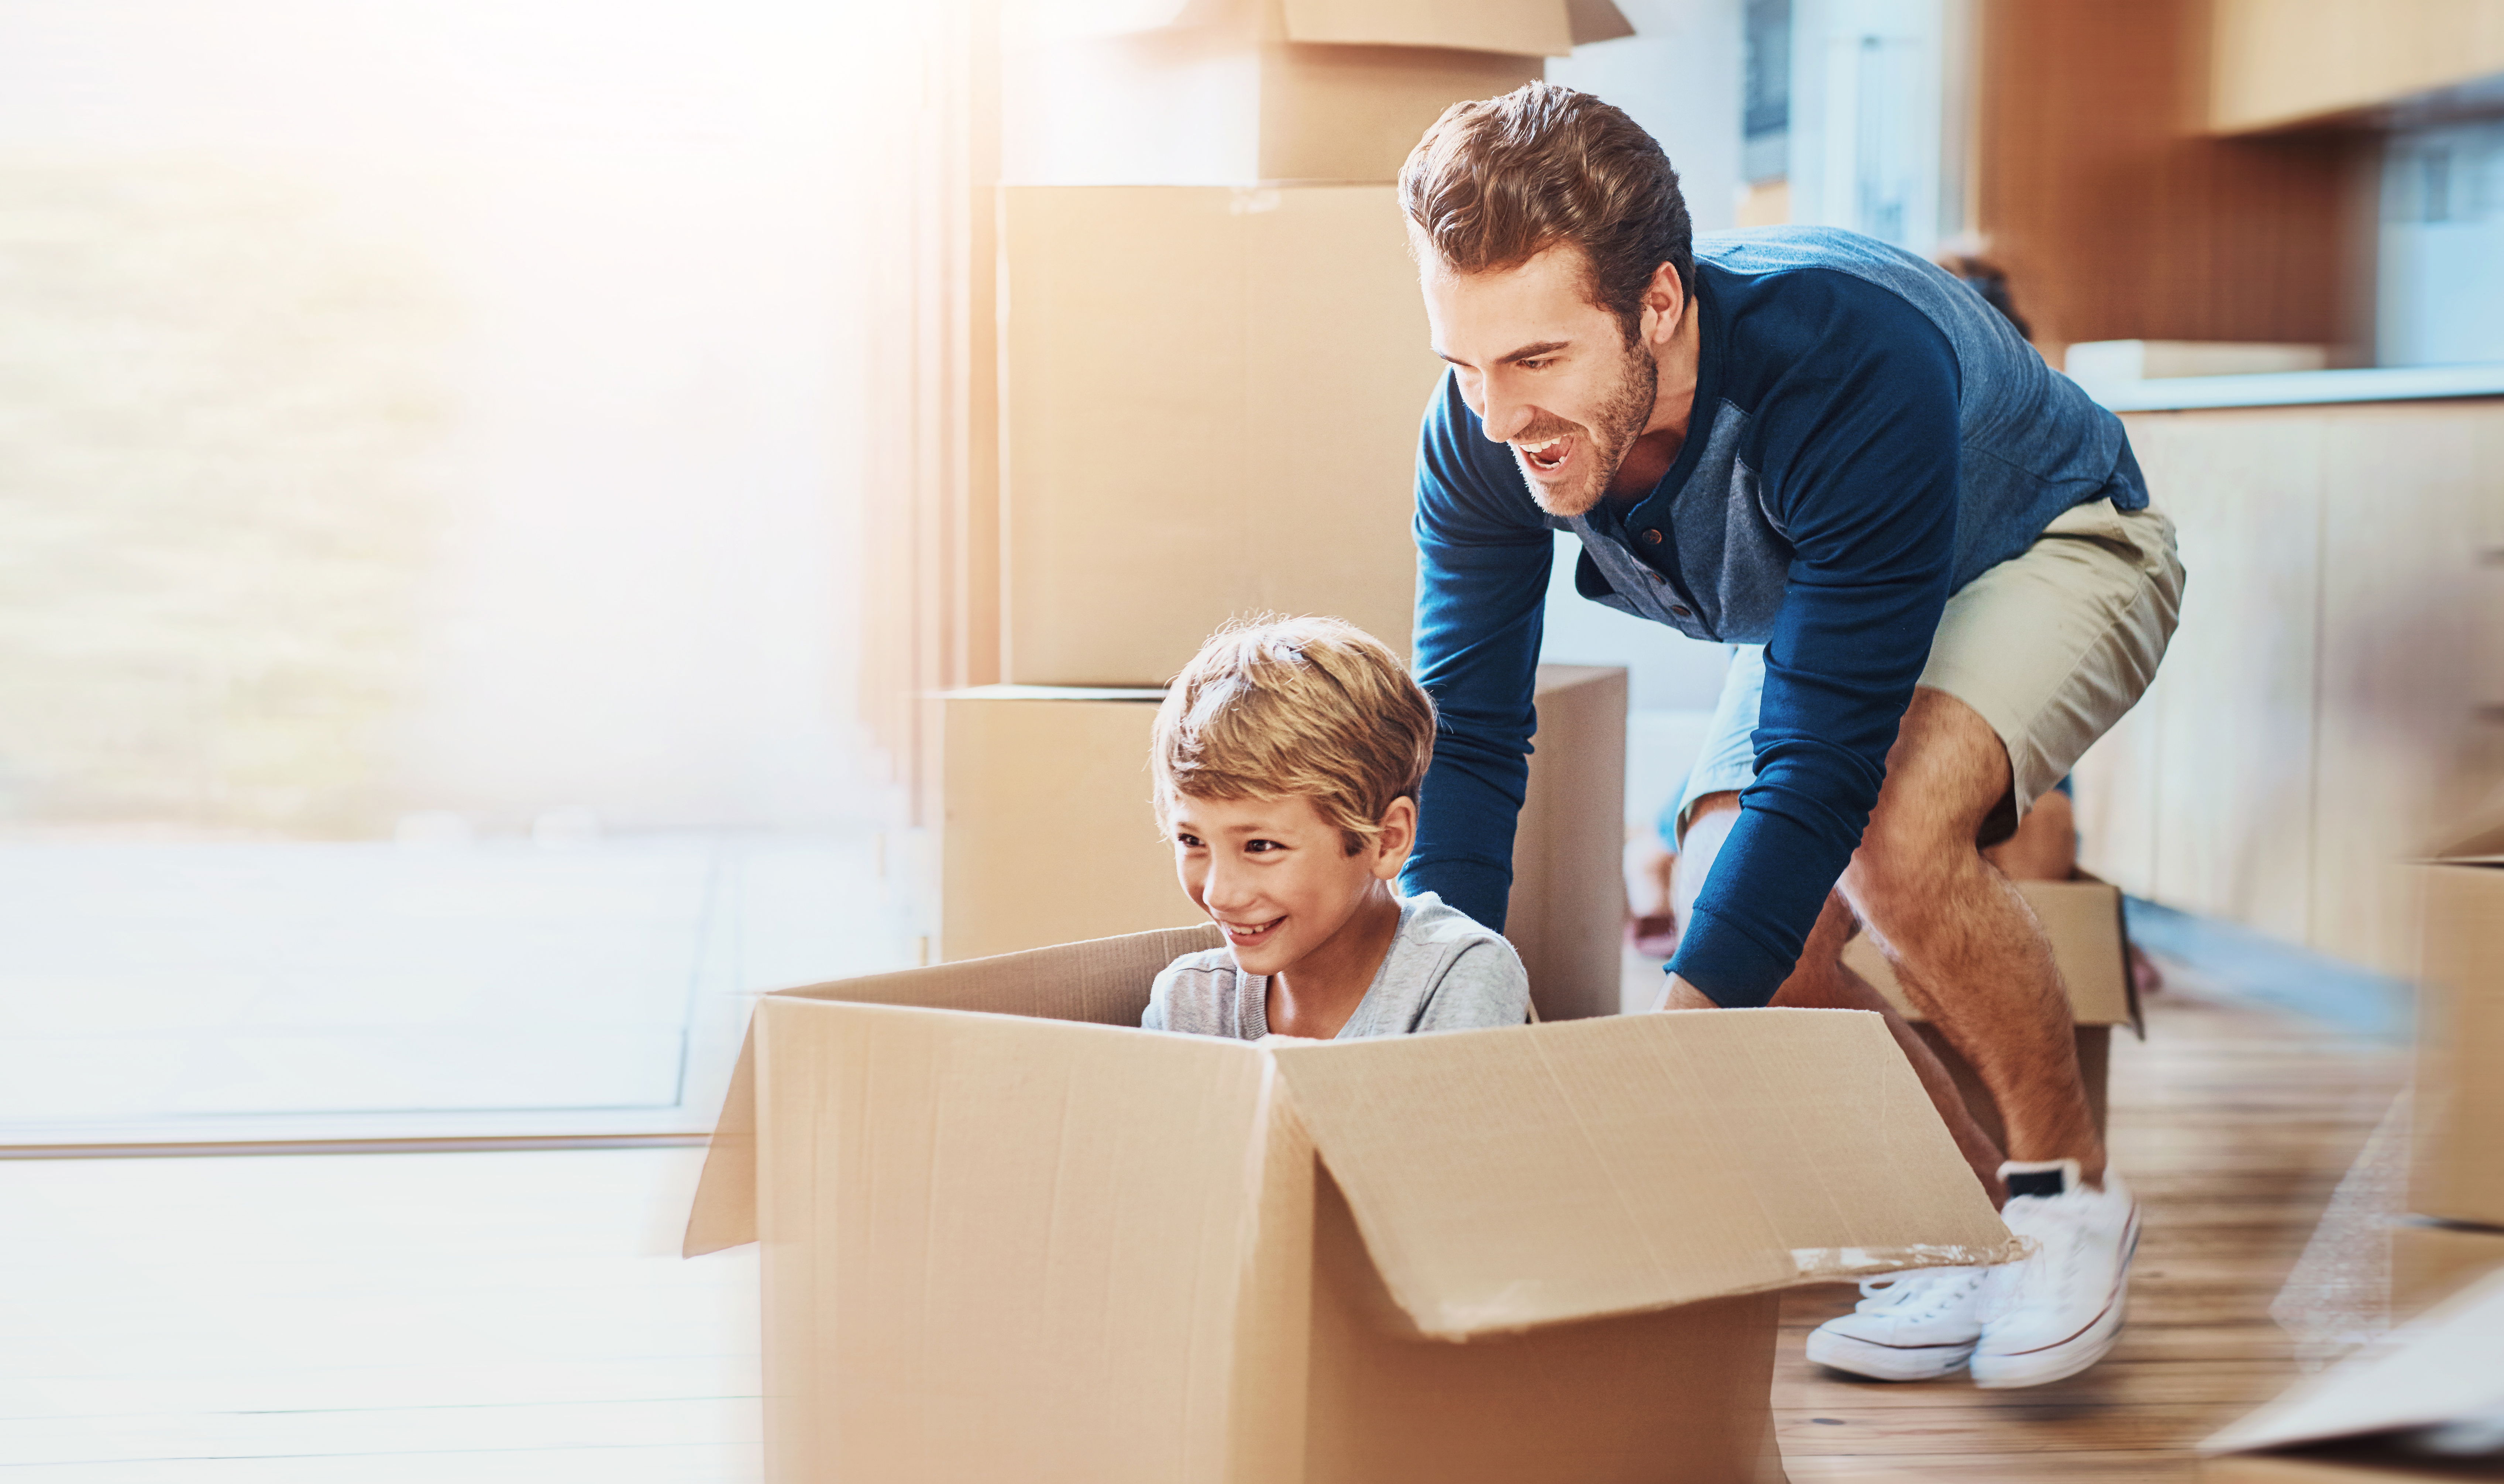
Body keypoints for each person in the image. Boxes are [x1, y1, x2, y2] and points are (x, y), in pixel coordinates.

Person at [1396, 83, 2183, 1388]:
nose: (1497, 419)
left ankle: (2067, 1196)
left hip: (2049, 540)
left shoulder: (1843, 362)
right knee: (1727, 901)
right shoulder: (1480, 436)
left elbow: (1820, 777)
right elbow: (1472, 739)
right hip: (1840, 590)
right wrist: (1438, 1033)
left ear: (1658, 304)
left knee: (1881, 833)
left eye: (1537, 361)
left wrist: (1660, 1069)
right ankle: (1973, 1231)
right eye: (1462, 365)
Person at [1140, 616, 1531, 1041]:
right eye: (1191, 840)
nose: (1220, 894)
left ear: (1387, 840)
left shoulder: (1460, 973)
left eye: (1260, 846)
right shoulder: (1185, 1000)